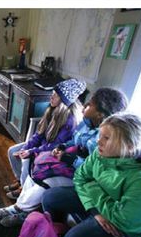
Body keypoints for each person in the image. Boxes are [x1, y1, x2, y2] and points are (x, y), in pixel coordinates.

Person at [62, 113, 141, 237]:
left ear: (129, 146)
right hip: (104, 210)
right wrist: (95, 212)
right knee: (51, 197)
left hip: (125, 228)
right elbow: (80, 177)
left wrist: (93, 188)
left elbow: (123, 221)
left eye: (106, 138)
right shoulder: (102, 152)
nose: (98, 141)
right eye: (100, 135)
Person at [26, 86, 129, 225]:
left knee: (46, 181)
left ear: (100, 114)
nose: (84, 105)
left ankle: (19, 209)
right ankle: (24, 204)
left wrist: (71, 159)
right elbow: (73, 140)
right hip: (75, 167)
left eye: (90, 104)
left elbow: (97, 171)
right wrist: (62, 146)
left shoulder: (105, 138)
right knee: (39, 164)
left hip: (84, 176)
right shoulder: (86, 124)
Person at [0, 79, 84, 226]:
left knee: (27, 160)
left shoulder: (69, 120)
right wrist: (27, 147)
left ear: (64, 101)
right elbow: (39, 135)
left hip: (49, 152)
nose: (51, 97)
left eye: (55, 95)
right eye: (52, 93)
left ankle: (18, 208)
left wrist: (31, 151)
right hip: (42, 148)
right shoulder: (51, 109)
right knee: (14, 151)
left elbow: (54, 146)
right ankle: (21, 185)